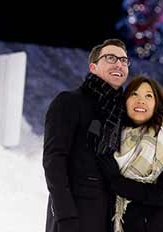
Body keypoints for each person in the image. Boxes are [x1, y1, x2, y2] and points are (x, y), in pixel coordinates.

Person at [43, 39, 131, 232]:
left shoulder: (124, 112)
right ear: (93, 67)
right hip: (75, 216)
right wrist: (65, 215)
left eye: (124, 60)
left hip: (109, 218)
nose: (119, 64)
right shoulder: (69, 102)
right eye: (111, 58)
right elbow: (54, 161)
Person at [97, 76, 163, 232]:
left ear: (157, 103)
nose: (140, 100)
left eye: (148, 96)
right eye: (134, 94)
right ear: (125, 101)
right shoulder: (111, 137)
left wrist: (117, 182)